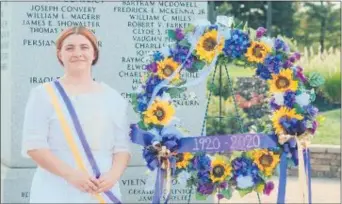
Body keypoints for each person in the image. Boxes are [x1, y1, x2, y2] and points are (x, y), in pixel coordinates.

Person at [21, 26, 131, 203]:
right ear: (60, 54)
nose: (77, 53)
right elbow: (34, 145)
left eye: (84, 47)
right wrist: (71, 175)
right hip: (56, 188)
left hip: (101, 190)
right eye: (69, 48)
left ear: (94, 54)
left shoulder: (113, 97)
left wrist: (113, 176)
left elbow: (122, 148)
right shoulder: (43, 95)